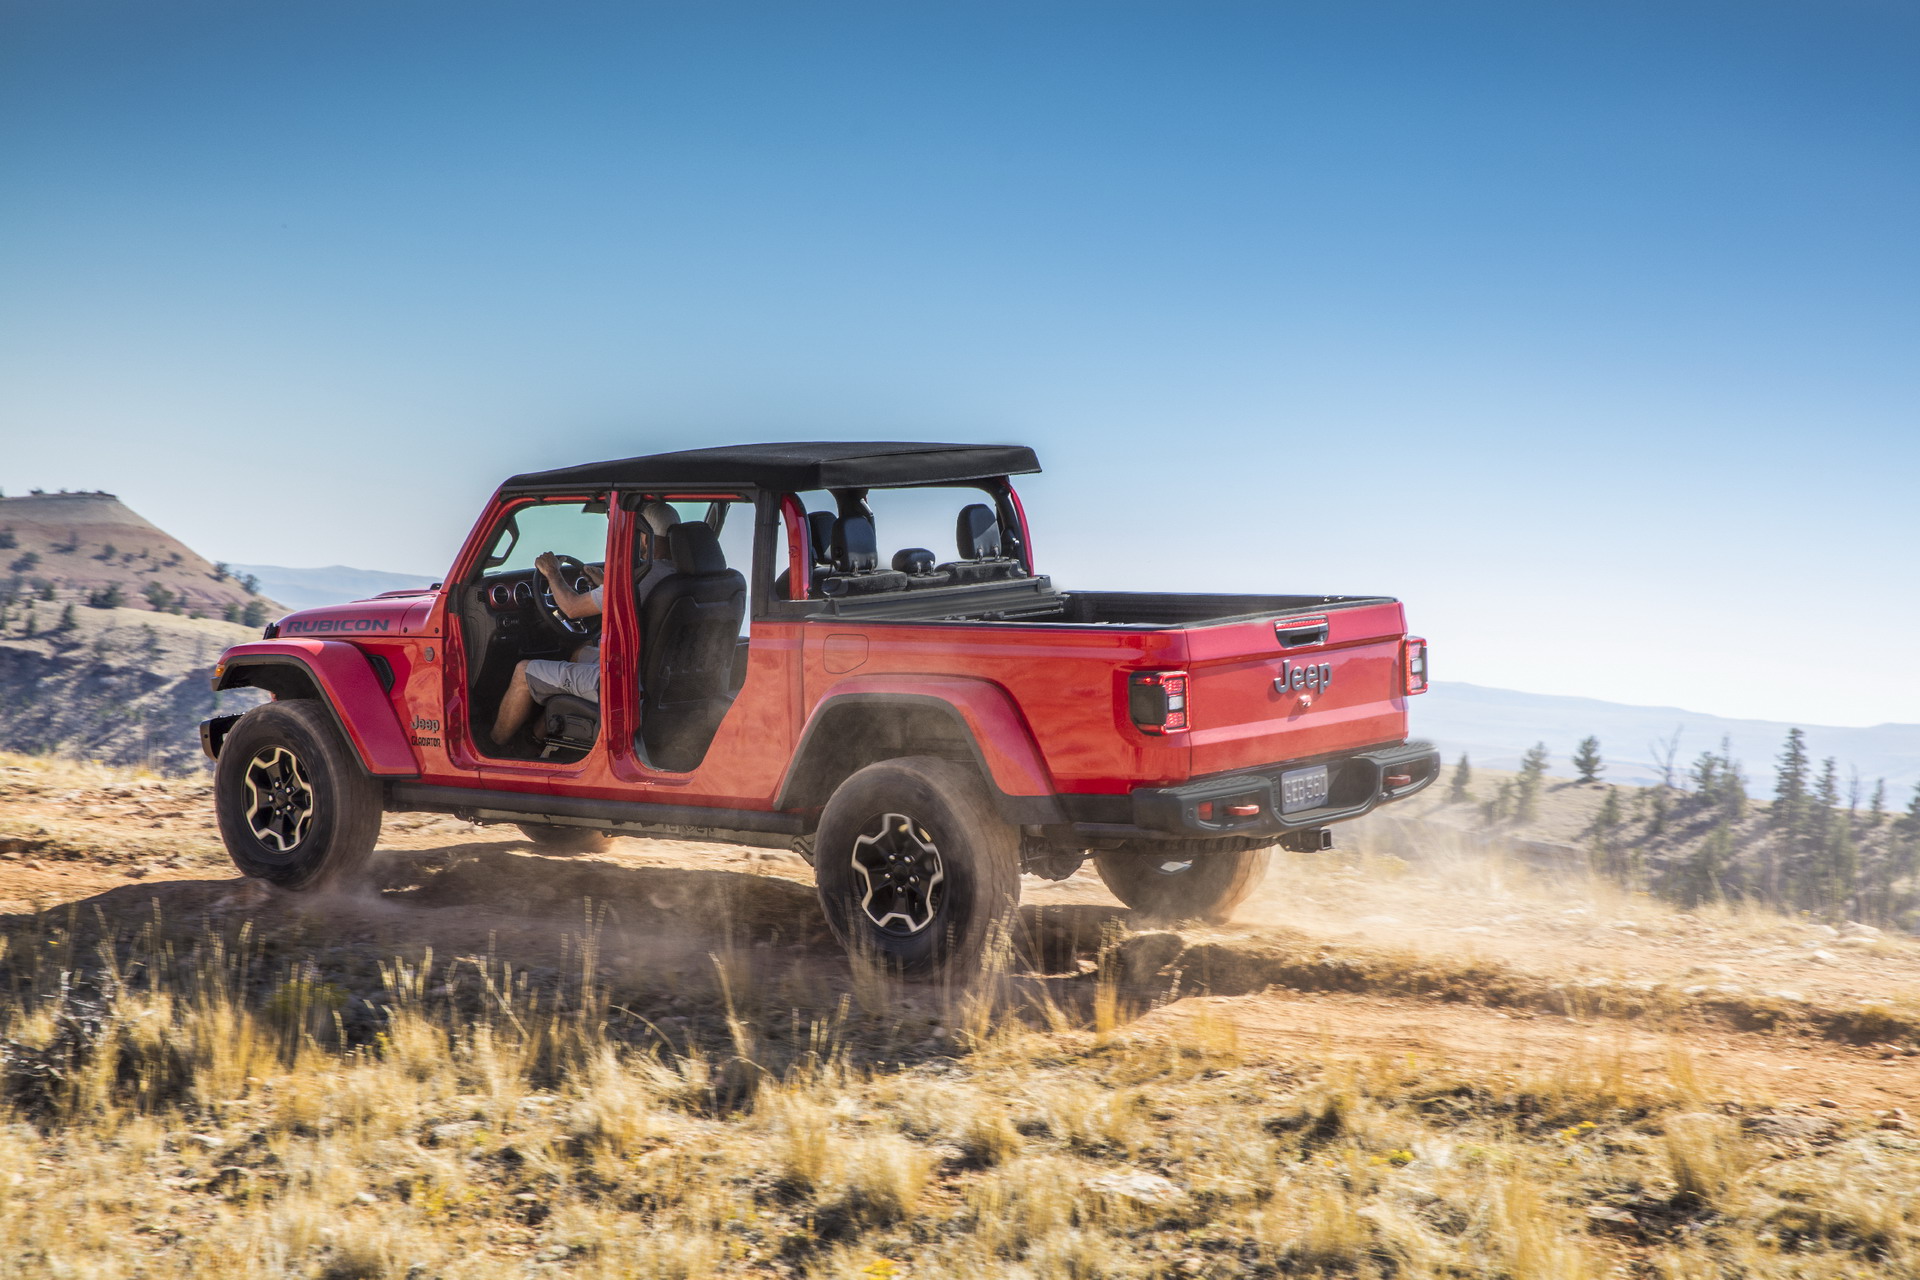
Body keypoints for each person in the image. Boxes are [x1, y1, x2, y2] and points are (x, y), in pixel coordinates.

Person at [489, 500, 677, 748]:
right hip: (657, 673)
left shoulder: (637, 578)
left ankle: (497, 748)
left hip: (623, 681)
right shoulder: (675, 575)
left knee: (524, 671)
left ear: (644, 539)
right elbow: (625, 603)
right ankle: (541, 734)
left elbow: (571, 607)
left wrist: (552, 572)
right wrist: (603, 587)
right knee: (577, 653)